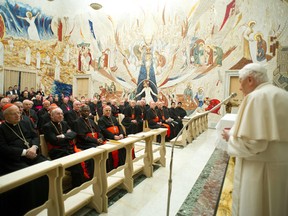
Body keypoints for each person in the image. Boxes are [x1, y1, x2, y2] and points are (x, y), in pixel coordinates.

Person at [221, 63, 288, 216]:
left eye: (240, 80)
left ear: (250, 80)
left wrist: (230, 138)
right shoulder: (283, 94)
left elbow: (253, 143)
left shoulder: (256, 97)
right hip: (283, 169)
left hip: (261, 173)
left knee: (259, 207)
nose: (239, 87)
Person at [0, 104, 48, 215]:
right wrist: (25, 152)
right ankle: (29, 210)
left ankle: (45, 203)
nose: (18, 115)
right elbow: (3, 148)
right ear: (5, 116)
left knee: (47, 167)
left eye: (19, 112)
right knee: (28, 176)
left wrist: (34, 147)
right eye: (14, 113)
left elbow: (35, 136)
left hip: (32, 154)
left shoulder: (25, 123)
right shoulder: (2, 129)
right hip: (13, 160)